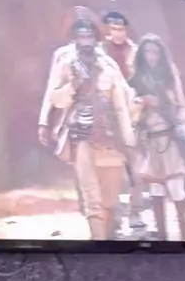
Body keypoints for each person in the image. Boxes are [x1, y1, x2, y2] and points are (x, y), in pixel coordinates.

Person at [41, 12, 135, 240]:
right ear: (74, 37)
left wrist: (129, 141)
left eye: (89, 34)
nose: (85, 39)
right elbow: (55, 97)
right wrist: (73, 87)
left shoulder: (108, 66)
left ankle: (107, 238)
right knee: (91, 196)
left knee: (110, 199)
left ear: (96, 36)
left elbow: (121, 106)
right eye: (81, 35)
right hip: (80, 133)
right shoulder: (66, 62)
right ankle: (98, 243)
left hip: (110, 136)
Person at [130, 33, 185, 240]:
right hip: (150, 140)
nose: (152, 56)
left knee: (176, 189)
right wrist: (140, 104)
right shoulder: (137, 78)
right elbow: (130, 110)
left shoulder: (170, 76)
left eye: (155, 52)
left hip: (170, 138)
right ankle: (163, 238)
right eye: (147, 51)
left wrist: (180, 123)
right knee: (156, 189)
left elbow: (182, 107)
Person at [102, 9, 137, 82]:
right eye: (113, 29)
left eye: (120, 29)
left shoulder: (136, 50)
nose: (117, 33)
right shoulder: (100, 49)